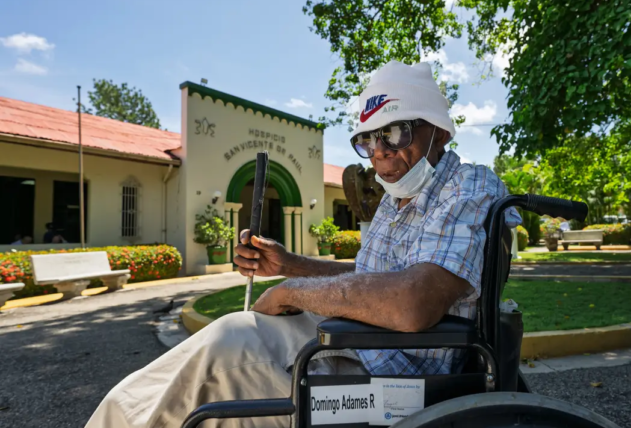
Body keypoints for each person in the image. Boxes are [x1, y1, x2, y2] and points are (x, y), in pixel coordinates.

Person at [85, 60, 521, 428]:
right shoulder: (396, 199)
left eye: (395, 133)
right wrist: (288, 265)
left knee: (220, 358)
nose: (379, 152)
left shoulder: (467, 185)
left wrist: (293, 292)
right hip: (354, 342)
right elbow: (371, 280)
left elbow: (412, 302)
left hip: (391, 373)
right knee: (196, 358)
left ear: (439, 132)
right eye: (368, 139)